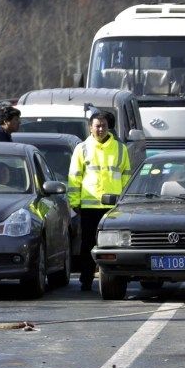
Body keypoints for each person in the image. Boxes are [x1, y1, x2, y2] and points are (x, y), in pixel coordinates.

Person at [68, 112, 132, 291]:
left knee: (115, 244)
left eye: (103, 125)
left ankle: (116, 278)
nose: (101, 129)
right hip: (89, 205)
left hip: (113, 207)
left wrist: (125, 201)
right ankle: (86, 280)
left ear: (108, 126)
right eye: (97, 126)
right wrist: (75, 202)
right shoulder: (82, 148)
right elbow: (74, 177)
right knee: (88, 244)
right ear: (90, 127)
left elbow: (126, 176)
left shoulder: (120, 149)